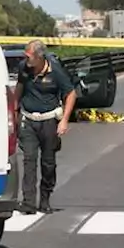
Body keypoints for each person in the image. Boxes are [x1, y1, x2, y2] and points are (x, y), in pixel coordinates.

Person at [12, 39, 76, 215]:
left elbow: (70, 94)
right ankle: (28, 203)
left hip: (49, 121)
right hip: (28, 119)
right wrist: (14, 112)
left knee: (48, 163)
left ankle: (45, 200)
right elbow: (19, 87)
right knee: (29, 160)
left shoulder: (55, 71)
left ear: (39, 57)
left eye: (29, 56)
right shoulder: (24, 67)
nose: (26, 59)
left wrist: (64, 121)